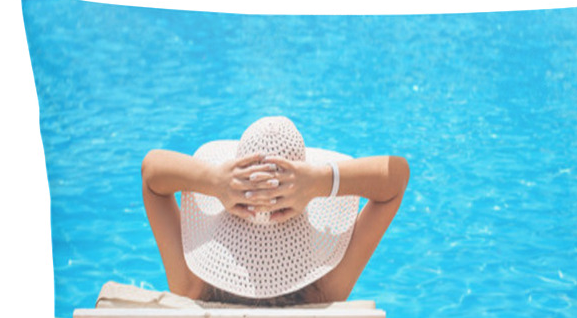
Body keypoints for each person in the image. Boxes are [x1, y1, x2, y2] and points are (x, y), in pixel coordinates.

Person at [141, 116, 409, 305]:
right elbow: (396, 179)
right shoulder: (325, 292)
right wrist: (322, 181)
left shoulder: (191, 287)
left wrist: (213, 181)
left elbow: (152, 174)